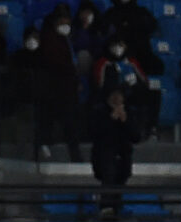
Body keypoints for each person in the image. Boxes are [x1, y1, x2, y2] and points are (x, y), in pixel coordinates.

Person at [29, 25, 83, 160]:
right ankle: (40, 152)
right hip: (48, 96)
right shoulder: (41, 56)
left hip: (63, 95)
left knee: (69, 127)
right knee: (45, 125)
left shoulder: (64, 54)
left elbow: (71, 74)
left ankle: (75, 156)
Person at [87, 87, 136, 193]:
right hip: (103, 156)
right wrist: (111, 119)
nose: (117, 98)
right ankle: (107, 207)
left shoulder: (129, 112)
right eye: (114, 95)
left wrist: (125, 121)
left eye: (119, 95)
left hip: (123, 156)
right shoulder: (99, 111)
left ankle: (117, 206)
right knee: (109, 177)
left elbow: (136, 137)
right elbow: (94, 133)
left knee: (120, 185)